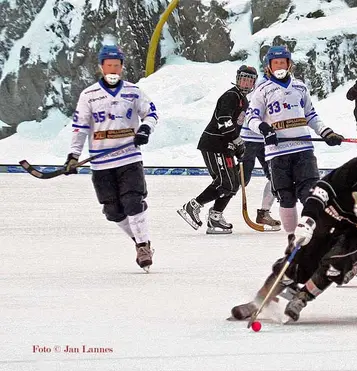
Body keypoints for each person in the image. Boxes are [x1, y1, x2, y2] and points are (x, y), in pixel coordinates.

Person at [230, 129, 357, 322]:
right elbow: (324, 189)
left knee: (335, 263)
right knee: (297, 256)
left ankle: (302, 298)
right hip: (332, 215)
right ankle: (259, 301)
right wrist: (308, 219)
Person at [64, 45, 158, 271]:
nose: (113, 69)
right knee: (113, 211)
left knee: (133, 202)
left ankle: (144, 246)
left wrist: (145, 129)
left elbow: (151, 113)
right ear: (101, 67)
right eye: (109, 65)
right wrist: (73, 155)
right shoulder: (89, 95)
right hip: (101, 162)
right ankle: (138, 240)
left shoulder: (134, 91)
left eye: (117, 65)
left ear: (122, 67)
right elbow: (80, 127)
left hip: (129, 158)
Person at [246, 45, 345, 250]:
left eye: (283, 62)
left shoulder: (300, 87)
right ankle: (293, 240)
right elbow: (251, 118)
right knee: (286, 197)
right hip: (278, 153)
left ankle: (314, 236)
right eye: (276, 63)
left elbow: (311, 115)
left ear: (289, 64)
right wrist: (265, 129)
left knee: (310, 193)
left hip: (303, 150)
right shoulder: (262, 90)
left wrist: (326, 132)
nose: (280, 66)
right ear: (269, 67)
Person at [177, 65, 258, 234]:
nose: (246, 82)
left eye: (250, 80)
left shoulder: (244, 100)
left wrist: (237, 147)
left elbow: (235, 126)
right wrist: (237, 141)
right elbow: (224, 121)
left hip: (225, 146)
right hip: (214, 145)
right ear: (237, 79)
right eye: (244, 78)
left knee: (234, 183)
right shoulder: (231, 96)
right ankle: (192, 206)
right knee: (225, 183)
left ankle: (215, 218)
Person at [239, 72, 281, 229]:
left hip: (265, 141)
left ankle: (264, 213)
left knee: (274, 176)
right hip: (249, 139)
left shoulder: (281, 85)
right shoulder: (263, 85)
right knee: (242, 180)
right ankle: (216, 211)